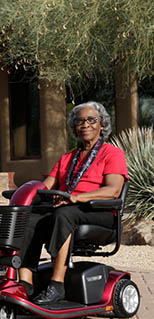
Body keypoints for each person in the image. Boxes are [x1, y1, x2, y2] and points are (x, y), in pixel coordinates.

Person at [18, 101, 128, 304]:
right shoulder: (67, 158)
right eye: (79, 121)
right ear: (74, 127)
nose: (85, 124)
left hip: (100, 212)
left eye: (91, 120)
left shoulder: (112, 153)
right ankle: (25, 283)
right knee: (30, 216)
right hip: (69, 209)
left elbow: (113, 190)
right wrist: (24, 194)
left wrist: (76, 197)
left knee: (64, 214)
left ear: (101, 124)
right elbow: (45, 187)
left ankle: (57, 285)